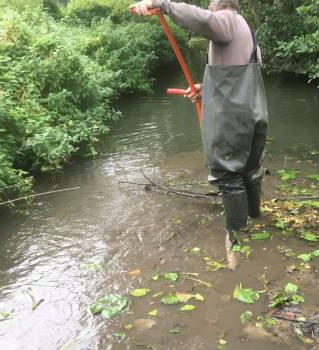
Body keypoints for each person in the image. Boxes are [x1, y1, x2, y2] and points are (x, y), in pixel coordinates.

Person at [131, 0, 268, 269]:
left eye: (210, 6)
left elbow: (205, 22)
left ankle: (237, 237)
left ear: (217, 6)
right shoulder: (246, 32)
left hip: (233, 118)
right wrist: (204, 88)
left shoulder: (226, 20)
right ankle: (255, 218)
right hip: (253, 113)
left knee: (227, 172)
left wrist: (162, 4)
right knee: (250, 168)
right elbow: (236, 76)